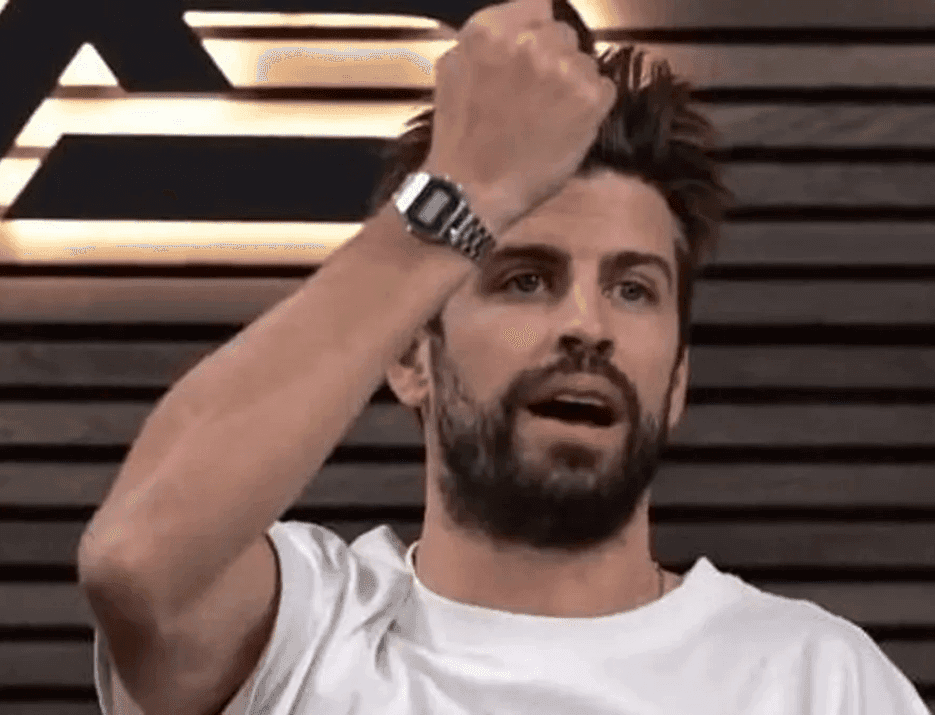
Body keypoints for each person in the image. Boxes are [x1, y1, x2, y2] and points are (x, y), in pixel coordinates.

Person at [77, 0, 931, 713]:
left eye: (633, 289)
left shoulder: (816, 678)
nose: (587, 324)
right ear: (410, 356)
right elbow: (135, 559)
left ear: (677, 379)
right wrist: (467, 192)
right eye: (525, 279)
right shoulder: (304, 633)